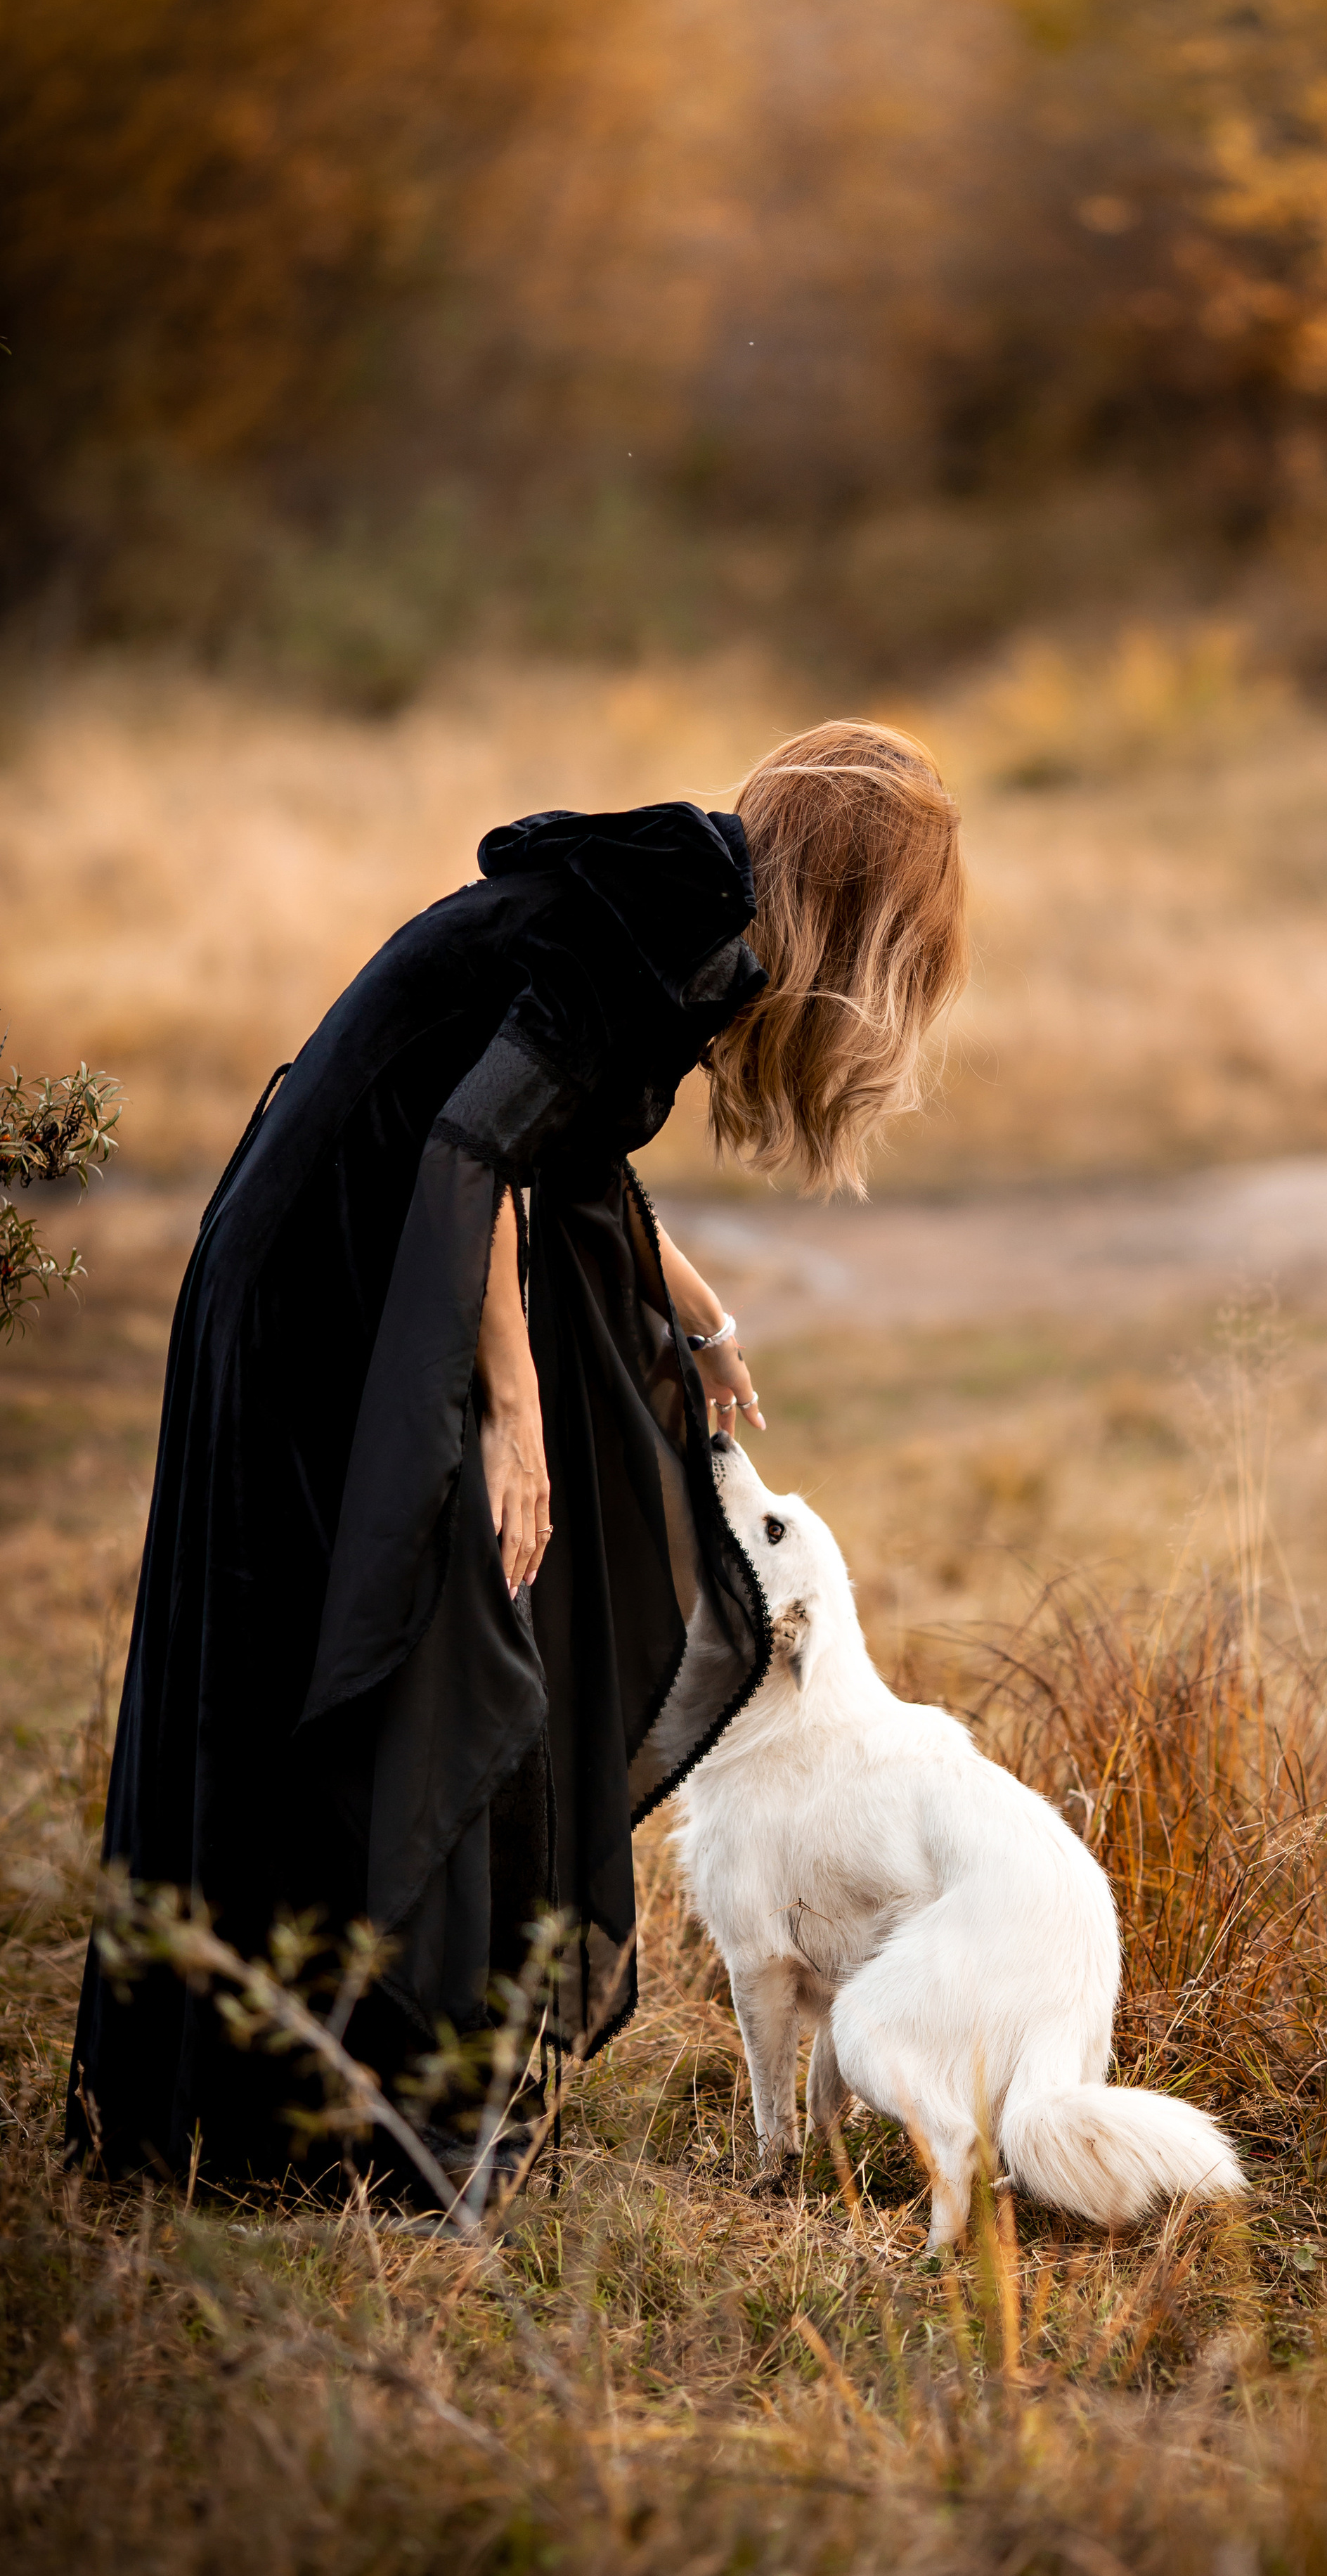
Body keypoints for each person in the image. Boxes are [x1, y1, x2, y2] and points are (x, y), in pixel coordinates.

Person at [65, 720, 967, 2189]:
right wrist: (512, 1407)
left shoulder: (681, 903)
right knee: (357, 1646)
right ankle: (291, 2126)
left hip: (353, 1246)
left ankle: (338, 2099)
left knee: (398, 1645)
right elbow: (467, 1146)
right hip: (329, 1270)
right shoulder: (674, 913)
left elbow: (567, 1146)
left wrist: (705, 1318)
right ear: (862, 904)